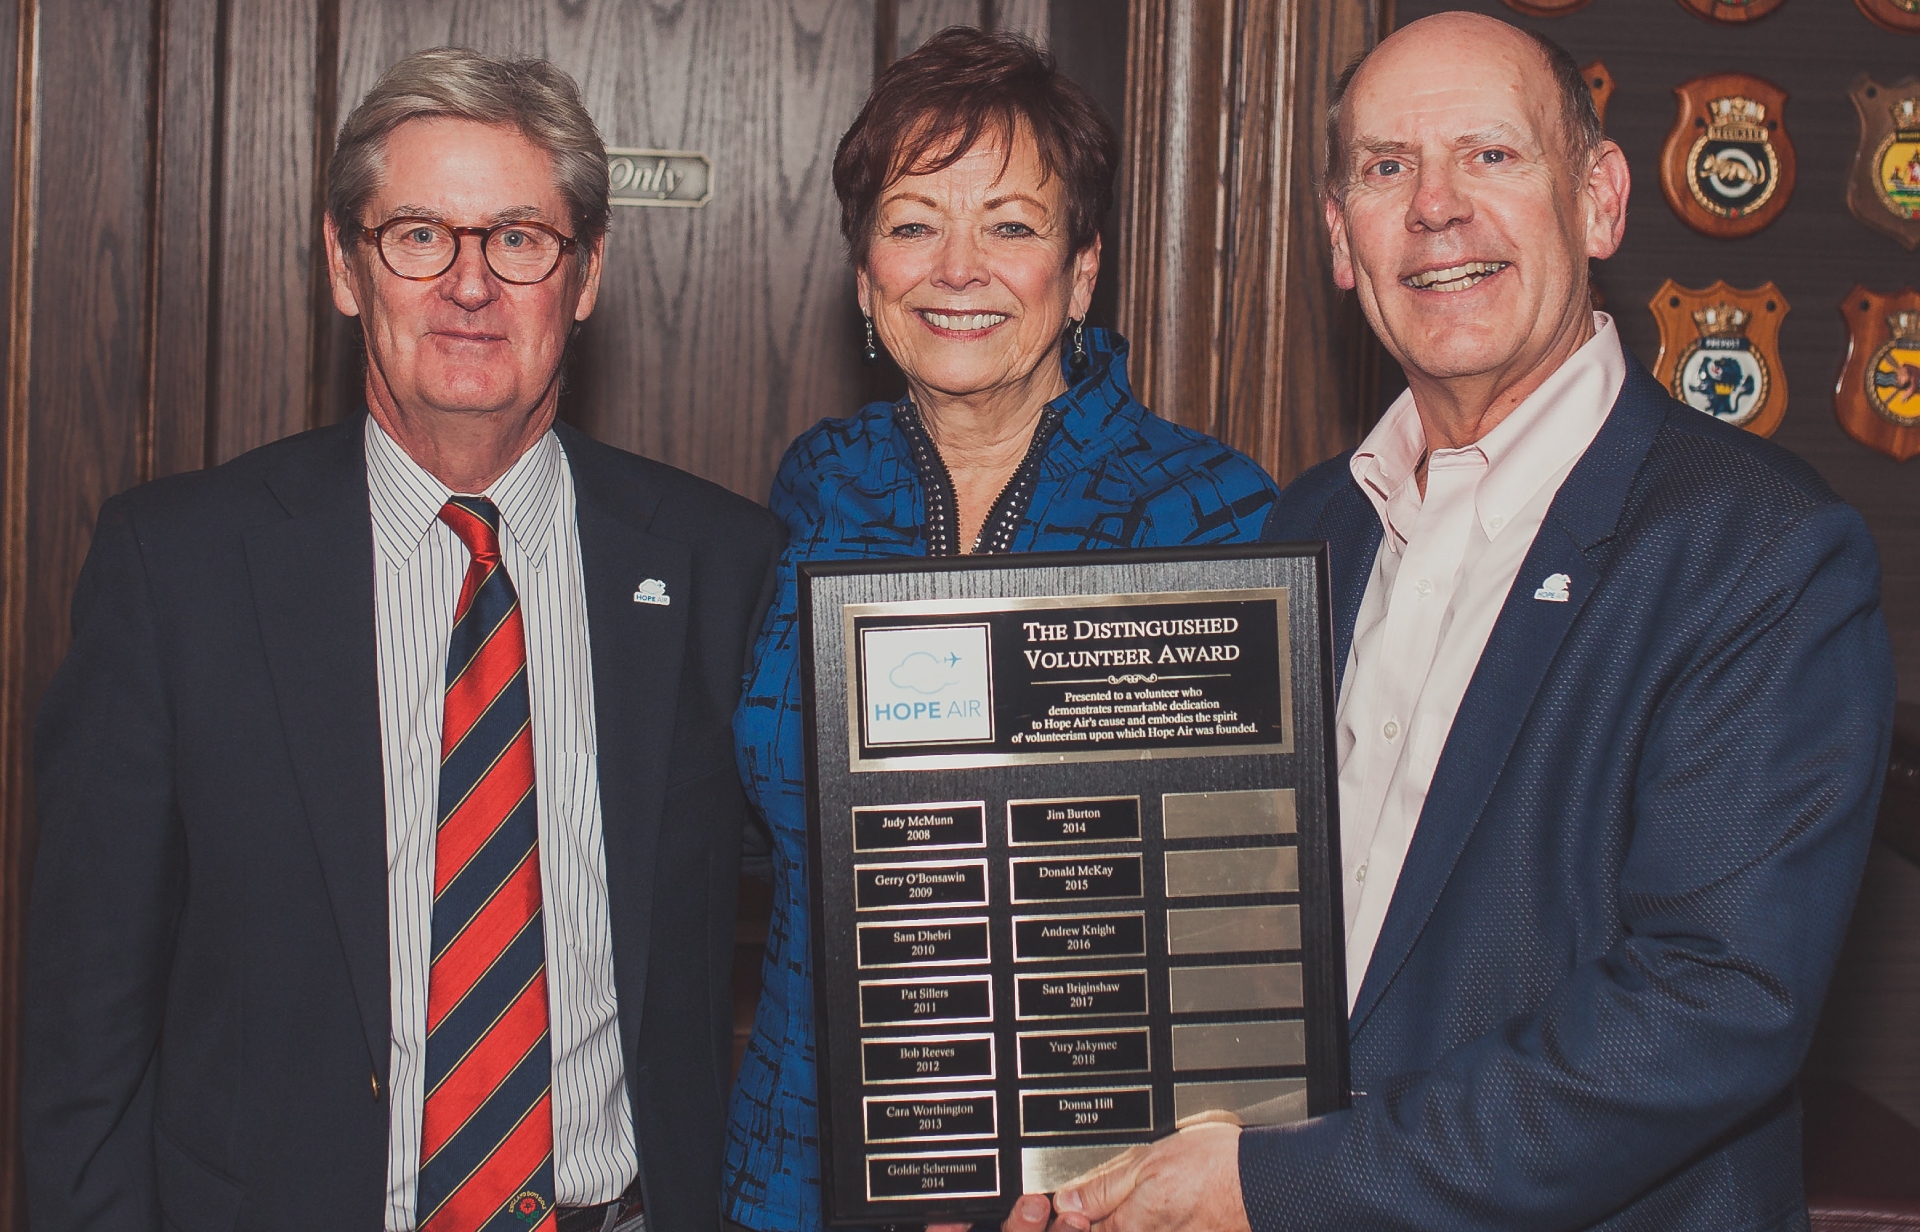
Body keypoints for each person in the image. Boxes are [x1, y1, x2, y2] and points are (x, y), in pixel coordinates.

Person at [994, 12, 1895, 1232]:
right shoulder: (1302, 528)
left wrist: (1286, 1186)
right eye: (1385, 167)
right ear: (1340, 241)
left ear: (1601, 201)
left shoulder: (1760, 550)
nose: (1434, 208)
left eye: (1492, 155)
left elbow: (1711, 1001)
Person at [24, 48, 782, 1232]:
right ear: (344, 264)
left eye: (520, 237)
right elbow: (84, 1024)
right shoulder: (177, 571)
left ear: (584, 276)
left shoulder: (719, 565)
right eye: (420, 234)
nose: (469, 284)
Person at [722, 28, 1279, 1232]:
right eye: (914, 221)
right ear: (867, 277)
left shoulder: (1206, 512)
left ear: (1081, 273)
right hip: (800, 1161)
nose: (957, 266)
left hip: (1087, 1190)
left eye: (1013, 225)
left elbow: (1241, 910)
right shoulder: (815, 487)